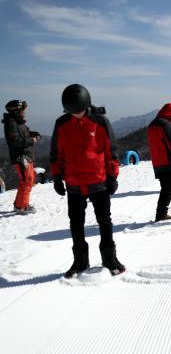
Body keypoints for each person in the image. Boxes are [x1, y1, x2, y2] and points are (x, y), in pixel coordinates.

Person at [50, 84, 125, 278]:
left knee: (104, 221)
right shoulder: (62, 124)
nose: (76, 115)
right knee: (76, 223)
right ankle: (80, 261)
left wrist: (112, 176)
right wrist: (57, 177)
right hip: (74, 183)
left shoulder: (100, 121)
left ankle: (110, 258)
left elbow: (111, 151)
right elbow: (56, 154)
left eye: (79, 111)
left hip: (98, 181)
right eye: (72, 112)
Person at [2, 100, 41, 214]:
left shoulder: (18, 122)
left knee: (27, 180)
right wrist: (32, 140)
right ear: (16, 111)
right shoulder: (11, 124)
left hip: (26, 156)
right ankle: (22, 206)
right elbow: (15, 142)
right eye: (22, 110)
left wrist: (34, 134)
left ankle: (20, 204)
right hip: (20, 157)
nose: (24, 112)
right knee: (27, 181)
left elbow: (26, 132)